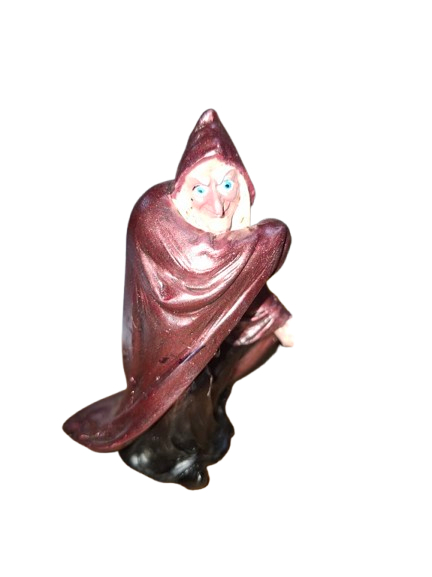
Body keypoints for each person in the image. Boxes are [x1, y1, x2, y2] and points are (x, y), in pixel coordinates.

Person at [63, 109, 293, 489]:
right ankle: (174, 454)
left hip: (204, 349)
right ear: (184, 190)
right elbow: (235, 261)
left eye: (227, 186)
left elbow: (240, 285)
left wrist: (276, 317)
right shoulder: (154, 216)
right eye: (200, 190)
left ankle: (206, 427)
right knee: (184, 396)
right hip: (165, 358)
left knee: (230, 366)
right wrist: (269, 236)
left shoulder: (233, 252)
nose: (217, 206)